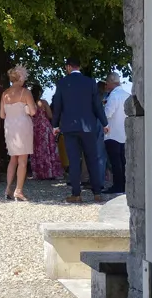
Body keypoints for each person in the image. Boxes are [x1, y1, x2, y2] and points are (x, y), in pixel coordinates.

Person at [51, 59, 108, 203]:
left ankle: (76, 194)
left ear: (68, 67)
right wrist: (104, 123)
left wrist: (55, 125)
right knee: (92, 159)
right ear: (79, 66)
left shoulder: (62, 83)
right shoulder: (90, 82)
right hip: (89, 127)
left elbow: (57, 105)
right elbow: (97, 105)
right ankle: (97, 193)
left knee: (74, 161)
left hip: (70, 127)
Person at [0, 67, 36, 201]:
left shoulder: (4, 94)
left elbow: (2, 114)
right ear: (20, 78)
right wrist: (26, 109)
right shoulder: (25, 92)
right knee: (22, 160)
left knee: (12, 159)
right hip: (23, 127)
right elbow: (33, 111)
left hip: (10, 128)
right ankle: (19, 190)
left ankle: (8, 188)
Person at [101, 71, 131, 195]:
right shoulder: (127, 94)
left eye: (107, 83)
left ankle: (118, 185)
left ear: (111, 83)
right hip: (125, 133)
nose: (106, 86)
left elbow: (107, 113)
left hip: (112, 134)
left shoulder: (113, 96)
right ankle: (124, 184)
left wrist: (102, 109)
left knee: (115, 162)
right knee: (123, 161)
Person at [30, 85, 62, 181]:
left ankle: (39, 172)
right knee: (48, 149)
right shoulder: (43, 102)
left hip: (34, 128)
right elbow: (50, 115)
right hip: (44, 128)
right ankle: (49, 172)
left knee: (37, 150)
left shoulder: (30, 104)